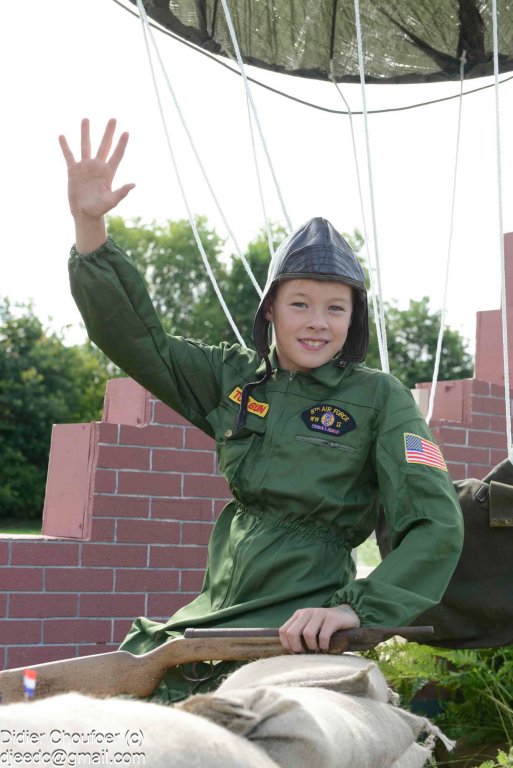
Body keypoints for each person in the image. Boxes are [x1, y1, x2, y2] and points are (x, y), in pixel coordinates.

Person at [60, 118, 464, 703]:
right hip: (209, 614)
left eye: (336, 308)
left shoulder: (380, 398)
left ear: (354, 319)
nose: (318, 322)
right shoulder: (233, 378)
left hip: (302, 619)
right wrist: (89, 226)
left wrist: (355, 609)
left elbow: (436, 523)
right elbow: (138, 341)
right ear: (270, 309)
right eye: (299, 303)